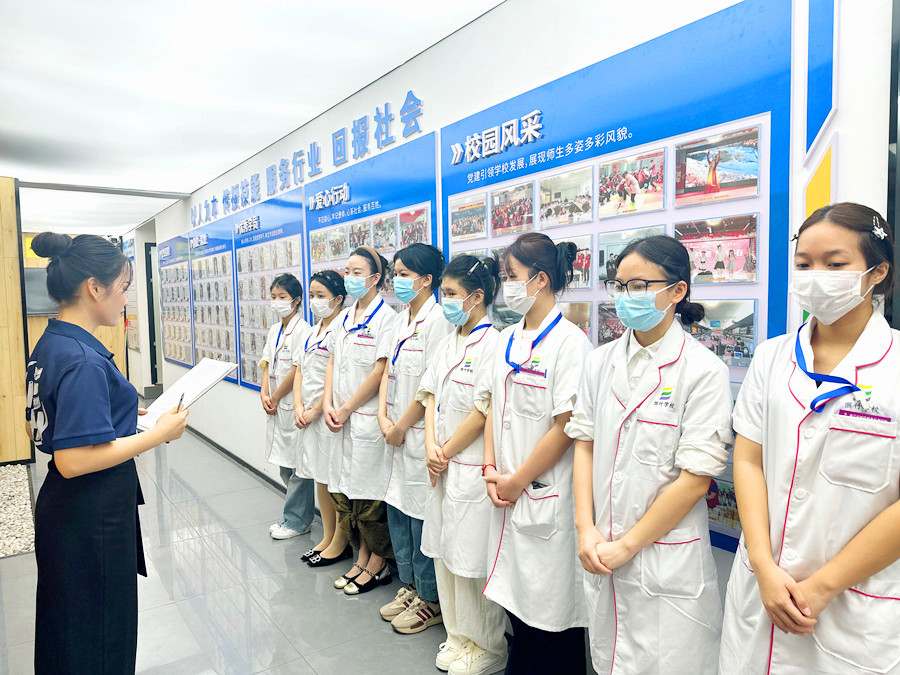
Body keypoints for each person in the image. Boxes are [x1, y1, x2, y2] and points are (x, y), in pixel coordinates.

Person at [720, 203, 900, 673]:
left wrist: (822, 586)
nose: (816, 276)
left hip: (852, 606)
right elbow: (749, 460)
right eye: (804, 264)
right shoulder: (772, 357)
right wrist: (763, 565)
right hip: (760, 588)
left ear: (878, 271)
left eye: (835, 265)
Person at [566, 234, 732, 673]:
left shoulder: (704, 371)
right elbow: (584, 443)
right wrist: (585, 527)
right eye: (620, 286)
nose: (626, 296)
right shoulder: (599, 362)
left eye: (639, 286)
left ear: (677, 291)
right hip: (601, 544)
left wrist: (628, 546)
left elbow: (695, 479)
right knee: (609, 659)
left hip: (664, 559)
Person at [25, 232, 189, 673]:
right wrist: (159, 434)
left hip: (69, 512)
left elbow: (46, 422)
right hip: (89, 515)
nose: (126, 299)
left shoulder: (54, 342)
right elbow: (73, 460)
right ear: (94, 288)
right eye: (123, 288)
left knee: (69, 630)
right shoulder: (82, 359)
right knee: (99, 636)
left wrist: (124, 415)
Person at [478, 232, 592, 674]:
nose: (506, 285)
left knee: (551, 619)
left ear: (540, 279)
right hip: (506, 490)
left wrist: (518, 480)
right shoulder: (506, 338)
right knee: (517, 609)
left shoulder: (570, 344)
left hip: (543, 494)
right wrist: (491, 467)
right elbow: (493, 405)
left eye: (512, 276)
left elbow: (566, 427)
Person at [419, 254, 511, 675]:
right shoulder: (447, 341)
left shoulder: (494, 344)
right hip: (441, 465)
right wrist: (430, 447)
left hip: (468, 466)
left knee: (472, 561)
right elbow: (428, 395)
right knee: (444, 554)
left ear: (476, 297)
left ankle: (488, 646)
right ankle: (457, 636)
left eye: (451, 293)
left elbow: (482, 411)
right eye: (443, 292)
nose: (445, 300)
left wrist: (445, 451)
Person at [377, 243, 452, 633]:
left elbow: (430, 387)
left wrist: (401, 426)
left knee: (421, 516)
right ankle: (409, 585)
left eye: (404, 274)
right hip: (393, 430)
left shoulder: (438, 322)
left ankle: (430, 596)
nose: (397, 280)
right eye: (396, 273)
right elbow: (387, 370)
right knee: (399, 511)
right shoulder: (399, 318)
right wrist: (382, 416)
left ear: (426, 280)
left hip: (415, 432)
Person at [323, 246, 398, 594]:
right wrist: (328, 403)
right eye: (347, 271)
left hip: (364, 418)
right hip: (340, 417)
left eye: (357, 273)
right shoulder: (343, 317)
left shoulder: (387, 319)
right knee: (349, 492)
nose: (349, 278)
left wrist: (346, 408)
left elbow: (380, 371)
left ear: (375, 278)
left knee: (370, 497)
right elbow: (332, 361)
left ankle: (376, 561)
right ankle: (361, 555)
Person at [292, 270, 347, 565]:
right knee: (319, 477)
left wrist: (315, 410)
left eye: (321, 295)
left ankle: (339, 541)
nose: (315, 301)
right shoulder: (311, 331)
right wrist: (298, 405)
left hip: (327, 413)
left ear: (337, 298)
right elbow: (299, 370)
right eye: (312, 295)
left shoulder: (341, 328)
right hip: (307, 414)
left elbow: (336, 374)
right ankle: (326, 536)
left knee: (332, 477)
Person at [261, 273, 314, 540]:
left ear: (296, 300)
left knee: (297, 468)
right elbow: (266, 363)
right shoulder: (274, 330)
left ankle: (297, 521)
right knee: (284, 465)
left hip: (291, 405)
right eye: (273, 297)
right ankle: (292, 516)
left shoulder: (304, 330)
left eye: (282, 297)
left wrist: (276, 396)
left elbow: (296, 369)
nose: (277, 302)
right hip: (275, 404)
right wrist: (264, 393)